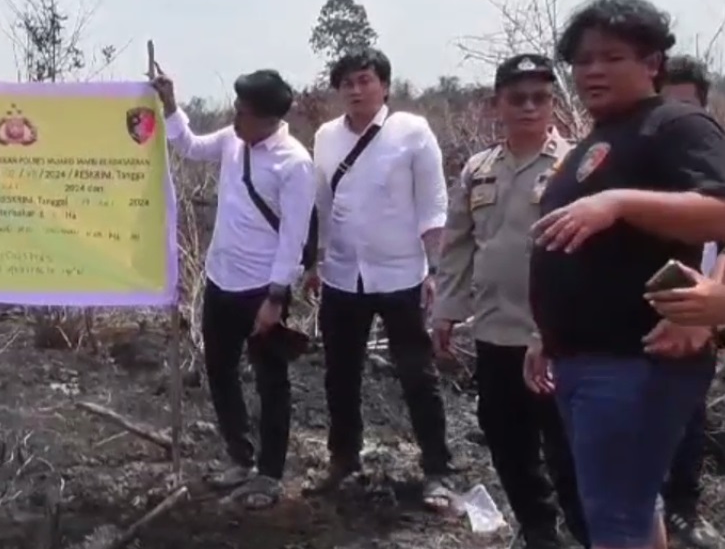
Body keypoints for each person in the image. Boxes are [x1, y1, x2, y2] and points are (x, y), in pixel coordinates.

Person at [527, 0, 725, 549]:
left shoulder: (674, 124)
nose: (592, 71)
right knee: (630, 509)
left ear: (652, 62)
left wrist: (618, 202)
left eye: (610, 57)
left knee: (615, 517)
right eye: (583, 60)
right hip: (582, 359)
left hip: (635, 362)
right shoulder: (598, 138)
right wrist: (546, 335)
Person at [432, 54, 586, 549]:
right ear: (495, 104)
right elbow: (458, 244)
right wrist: (446, 311)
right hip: (495, 331)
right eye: (516, 98)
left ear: (554, 103)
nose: (528, 107)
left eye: (540, 97)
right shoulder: (478, 170)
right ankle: (539, 530)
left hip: (556, 336)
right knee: (505, 438)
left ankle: (589, 532)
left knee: (567, 446)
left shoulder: (579, 165)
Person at [153, 65, 316, 510]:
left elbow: (294, 237)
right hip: (221, 280)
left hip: (262, 290)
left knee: (271, 381)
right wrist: (170, 105)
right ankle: (239, 458)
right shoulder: (231, 141)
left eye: (242, 111)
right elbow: (187, 145)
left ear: (267, 118)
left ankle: (269, 473)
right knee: (220, 370)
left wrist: (276, 299)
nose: (234, 117)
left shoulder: (295, 163)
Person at [307, 47, 455, 508]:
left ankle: (436, 470)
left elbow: (433, 205)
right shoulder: (327, 137)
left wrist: (434, 270)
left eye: (365, 80)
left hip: (400, 275)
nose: (356, 89)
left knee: (416, 373)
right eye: (347, 82)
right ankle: (343, 457)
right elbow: (322, 205)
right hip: (342, 275)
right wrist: (314, 262)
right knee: (340, 373)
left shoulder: (411, 132)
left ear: (385, 85)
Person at [652, 54, 723, 549]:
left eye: (686, 108)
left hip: (702, 307)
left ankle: (683, 508)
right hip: (635, 306)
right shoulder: (637, 159)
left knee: (689, 412)